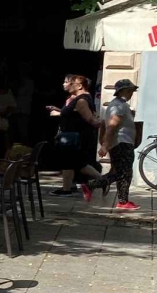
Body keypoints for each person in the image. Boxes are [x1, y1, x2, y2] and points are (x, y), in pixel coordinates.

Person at [83, 79, 139, 211]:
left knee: (121, 172)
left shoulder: (119, 105)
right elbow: (112, 126)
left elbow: (107, 125)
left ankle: (123, 201)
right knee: (122, 173)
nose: (132, 93)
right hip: (122, 143)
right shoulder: (118, 106)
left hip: (122, 143)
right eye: (130, 90)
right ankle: (92, 186)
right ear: (123, 91)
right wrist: (105, 145)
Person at [48, 74, 101, 195]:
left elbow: (89, 118)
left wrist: (100, 123)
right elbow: (77, 115)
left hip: (74, 137)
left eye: (69, 82)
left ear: (79, 86)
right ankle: (68, 187)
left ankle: (102, 180)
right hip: (72, 136)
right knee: (72, 162)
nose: (65, 84)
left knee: (75, 163)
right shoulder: (80, 98)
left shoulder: (81, 100)